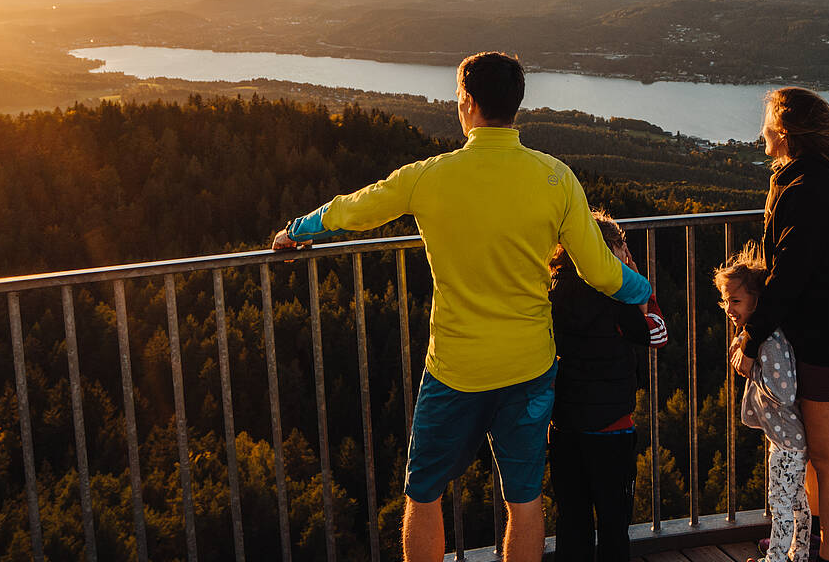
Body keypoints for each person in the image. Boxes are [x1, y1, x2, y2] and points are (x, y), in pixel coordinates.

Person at [271, 51, 653, 562]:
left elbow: (353, 210)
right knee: (524, 499)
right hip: (529, 367)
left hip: (456, 369)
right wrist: (641, 291)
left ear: (468, 104)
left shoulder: (430, 176)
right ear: (515, 105)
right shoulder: (556, 178)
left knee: (424, 493)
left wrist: (297, 231)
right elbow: (601, 273)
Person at [729, 87, 829, 562]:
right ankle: (802, 545)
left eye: (766, 123)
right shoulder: (801, 180)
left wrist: (752, 335)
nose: (760, 131)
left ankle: (828, 558)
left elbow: (791, 273)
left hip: (828, 341)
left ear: (784, 132)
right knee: (812, 455)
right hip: (814, 334)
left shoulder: (807, 189)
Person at [548, 210, 668, 562]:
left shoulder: (557, 288)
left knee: (572, 519)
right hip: (611, 426)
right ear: (607, 251)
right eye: (621, 245)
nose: (626, 251)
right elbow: (656, 333)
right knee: (614, 522)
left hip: (565, 424)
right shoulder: (617, 296)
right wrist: (634, 281)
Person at [717, 245, 811, 562]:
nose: (728, 307)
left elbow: (784, 393)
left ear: (757, 299)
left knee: (781, 500)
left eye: (736, 300)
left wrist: (752, 367)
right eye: (725, 300)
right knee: (795, 499)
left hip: (787, 440)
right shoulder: (759, 336)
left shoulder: (769, 341)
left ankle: (776, 558)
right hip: (784, 437)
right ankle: (798, 552)